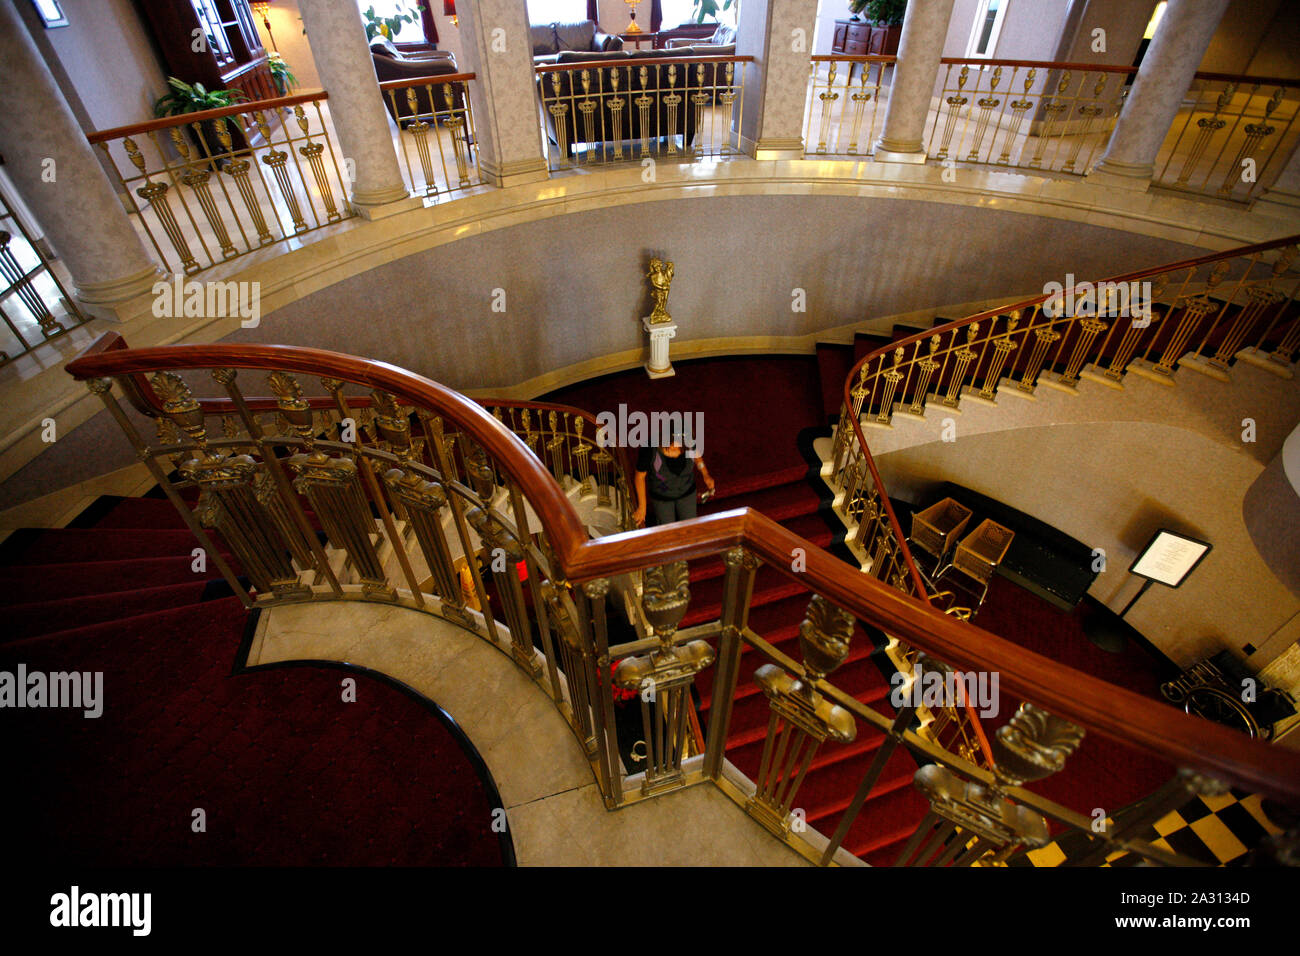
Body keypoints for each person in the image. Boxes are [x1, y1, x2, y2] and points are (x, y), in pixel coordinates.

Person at [633, 430, 715, 527]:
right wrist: (642, 507)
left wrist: (705, 474)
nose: (676, 449)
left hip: (687, 491)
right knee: (667, 528)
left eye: (680, 447)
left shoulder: (687, 442)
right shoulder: (649, 448)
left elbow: (696, 455)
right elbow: (640, 477)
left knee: (691, 526)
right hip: (661, 496)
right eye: (671, 445)